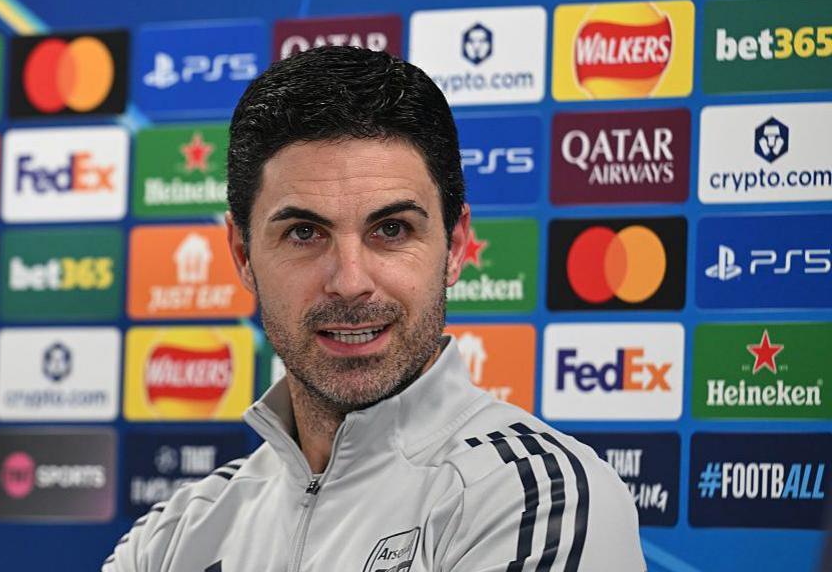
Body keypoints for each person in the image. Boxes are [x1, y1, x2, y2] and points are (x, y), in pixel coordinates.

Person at [103, 46, 645, 572]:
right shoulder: (172, 538)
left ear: (455, 247)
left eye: (391, 229)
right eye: (303, 233)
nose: (350, 282)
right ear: (243, 255)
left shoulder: (537, 498)